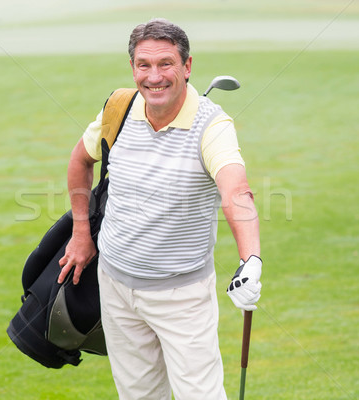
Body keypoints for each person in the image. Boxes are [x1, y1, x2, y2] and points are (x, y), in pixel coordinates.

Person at [58, 18, 262, 400]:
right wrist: (82, 234)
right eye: (144, 65)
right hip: (116, 285)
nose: (154, 77)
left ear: (187, 67)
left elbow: (237, 192)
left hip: (181, 296)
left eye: (166, 64)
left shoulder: (212, 126)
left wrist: (250, 260)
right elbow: (79, 161)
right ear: (133, 68)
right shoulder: (118, 108)